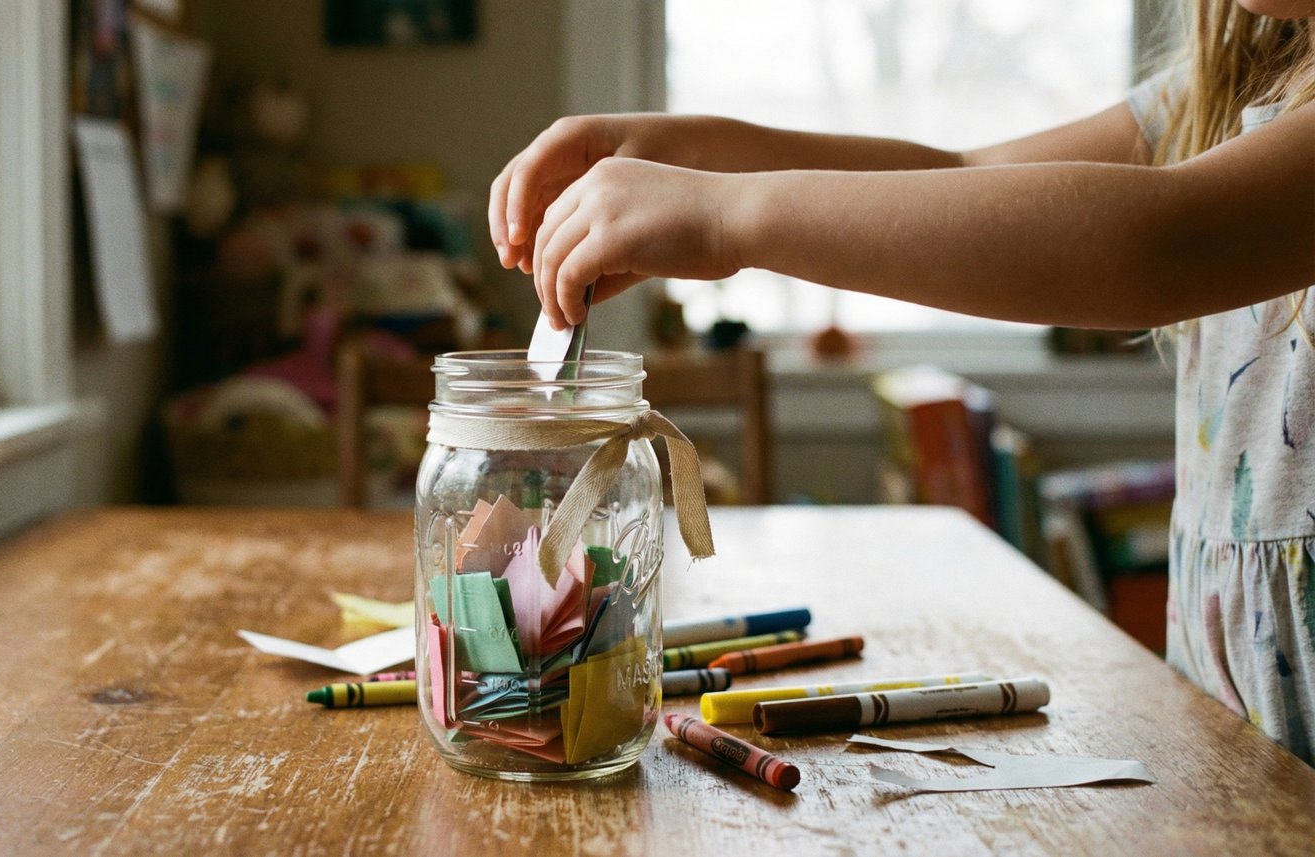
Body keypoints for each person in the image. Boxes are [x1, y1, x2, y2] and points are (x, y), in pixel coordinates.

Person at [488, 0, 1315, 763]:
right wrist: (695, 153)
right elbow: (962, 172)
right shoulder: (1231, 83)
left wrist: (727, 215)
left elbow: (1165, 239)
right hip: (1242, 723)